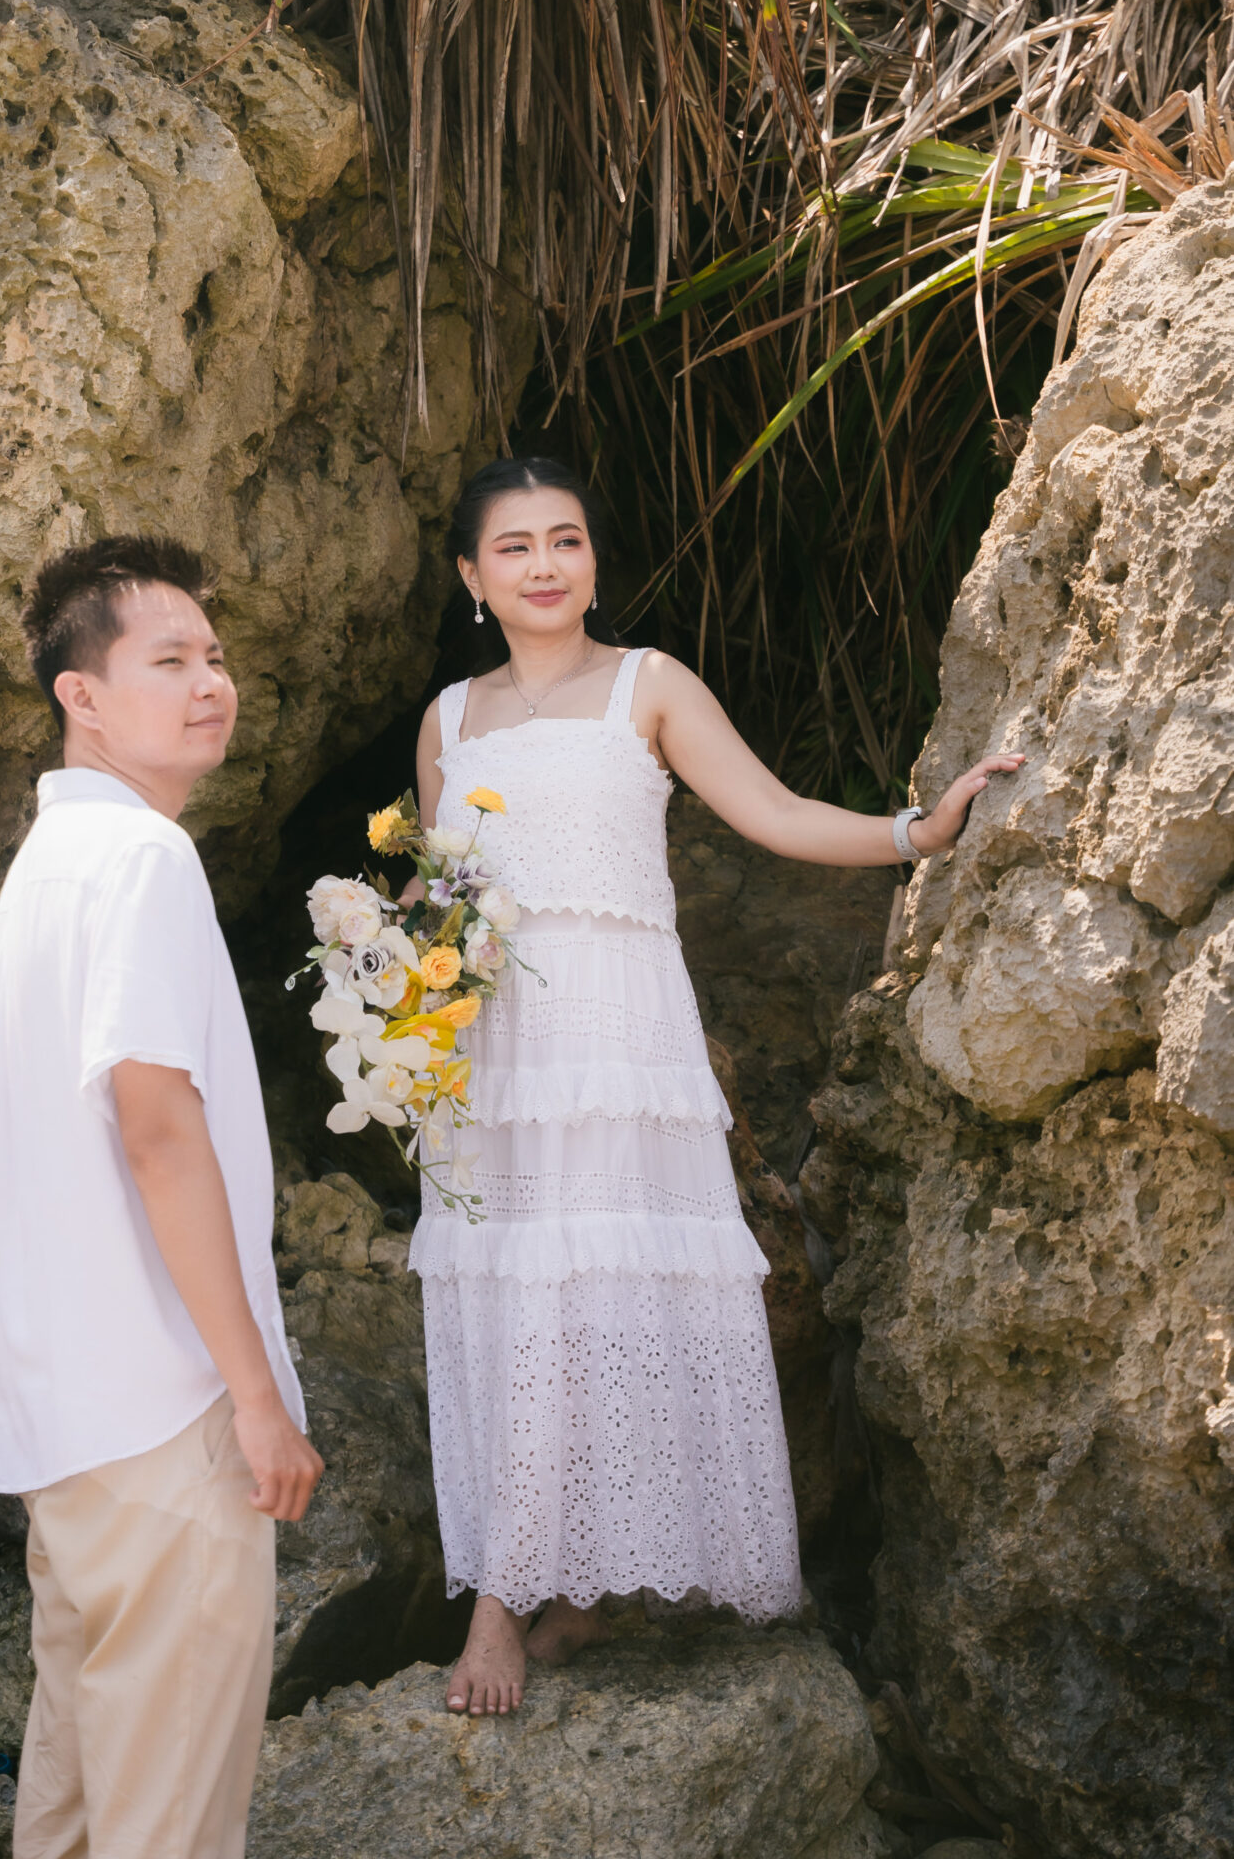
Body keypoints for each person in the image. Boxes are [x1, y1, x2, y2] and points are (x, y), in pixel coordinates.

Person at [412, 457, 1022, 1716]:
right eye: (514, 546)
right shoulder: (449, 720)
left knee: (602, 1293)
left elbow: (774, 811)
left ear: (594, 560)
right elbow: (440, 895)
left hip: (620, 1037)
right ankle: (548, 1588)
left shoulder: (649, 684)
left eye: (566, 539)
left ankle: (521, 1600)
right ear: (472, 575)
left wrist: (915, 833)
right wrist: (386, 979)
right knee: (519, 1298)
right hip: (498, 1055)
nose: (543, 564)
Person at [0, 533, 322, 1859]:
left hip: (67, 1430)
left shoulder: (48, 863)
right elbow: (155, 1123)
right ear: (83, 696)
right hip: (165, 1418)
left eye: (215, 657)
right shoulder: (138, 857)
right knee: (168, 1848)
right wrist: (254, 1393)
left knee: (74, 1816)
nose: (209, 682)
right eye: (169, 659)